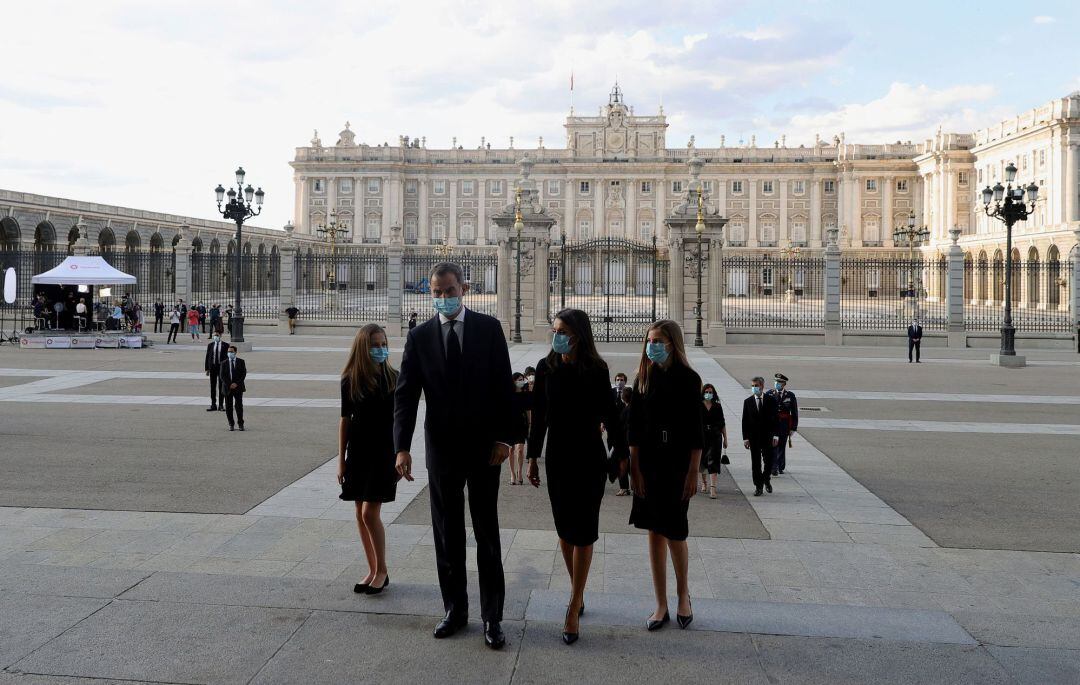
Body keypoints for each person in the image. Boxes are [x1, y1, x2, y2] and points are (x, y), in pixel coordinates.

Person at [393, 261, 514, 649]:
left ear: (464, 288)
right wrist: (401, 447)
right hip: (442, 450)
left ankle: (492, 616)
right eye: (437, 293)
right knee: (447, 534)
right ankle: (455, 610)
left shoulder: (488, 328)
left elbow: (503, 390)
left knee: (486, 533)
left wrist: (505, 439)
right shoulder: (420, 336)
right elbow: (406, 396)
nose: (444, 298)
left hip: (484, 448)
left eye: (449, 290)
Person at [526, 308, 625, 645]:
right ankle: (578, 590)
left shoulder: (597, 369)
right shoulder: (545, 367)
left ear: (578, 335)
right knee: (565, 533)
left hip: (588, 457)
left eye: (563, 330)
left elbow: (611, 415)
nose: (557, 335)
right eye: (555, 329)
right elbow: (538, 415)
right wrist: (532, 457)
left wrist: (621, 453)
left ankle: (573, 605)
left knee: (584, 532)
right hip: (557, 457)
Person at [628, 320, 704, 632]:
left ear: (672, 343)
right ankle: (660, 603)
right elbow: (632, 428)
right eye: (649, 340)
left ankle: (683, 594)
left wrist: (693, 472)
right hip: (648, 463)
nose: (652, 346)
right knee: (653, 532)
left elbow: (696, 431)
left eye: (658, 340)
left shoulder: (689, 379)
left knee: (675, 532)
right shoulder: (642, 378)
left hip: (676, 462)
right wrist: (634, 468)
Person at [338, 324, 399, 596]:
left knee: (369, 513)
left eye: (383, 343)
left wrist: (402, 454)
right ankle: (372, 568)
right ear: (363, 348)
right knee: (359, 514)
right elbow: (345, 420)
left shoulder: (395, 379)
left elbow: (402, 422)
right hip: (359, 452)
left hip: (384, 453)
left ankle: (383, 570)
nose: (381, 349)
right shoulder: (350, 379)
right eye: (375, 345)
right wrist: (341, 460)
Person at [742, 376, 779, 497]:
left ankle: (766, 478)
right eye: (752, 386)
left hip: (768, 436)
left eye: (756, 386)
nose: (754, 388)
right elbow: (745, 421)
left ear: (762, 386)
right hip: (754, 437)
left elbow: (776, 419)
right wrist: (745, 438)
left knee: (768, 461)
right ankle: (758, 486)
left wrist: (776, 435)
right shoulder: (748, 401)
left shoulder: (771, 400)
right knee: (756, 463)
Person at [766, 373, 798, 476]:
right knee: (773, 445)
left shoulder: (790, 395)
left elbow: (794, 412)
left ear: (784, 384)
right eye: (776, 381)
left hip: (784, 424)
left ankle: (780, 466)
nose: (777, 384)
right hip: (772, 424)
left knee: (781, 445)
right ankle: (773, 467)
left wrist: (793, 427)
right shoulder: (769, 394)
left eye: (779, 382)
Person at [700, 383, 728, 498]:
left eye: (710, 392)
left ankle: (713, 488)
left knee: (714, 461)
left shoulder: (717, 406)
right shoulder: (698, 405)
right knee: (702, 460)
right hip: (702, 436)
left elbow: (722, 424)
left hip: (715, 436)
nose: (708, 394)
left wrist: (725, 439)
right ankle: (704, 482)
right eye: (706, 392)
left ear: (713, 393)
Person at [508, 372, 530, 486]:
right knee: (511, 450)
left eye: (522, 379)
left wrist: (529, 423)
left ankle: (520, 472)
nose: (521, 381)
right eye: (518, 379)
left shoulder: (525, 394)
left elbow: (528, 410)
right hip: (511, 424)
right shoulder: (509, 394)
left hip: (522, 424)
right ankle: (512, 474)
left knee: (520, 450)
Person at [219, 345, 246, 431]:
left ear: (235, 352)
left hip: (238, 387)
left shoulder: (241, 362)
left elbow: (243, 374)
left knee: (239, 407)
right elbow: (222, 375)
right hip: (227, 388)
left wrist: (236, 383)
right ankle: (231, 424)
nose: (229, 353)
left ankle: (241, 424)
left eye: (231, 352)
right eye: (228, 352)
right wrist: (229, 384)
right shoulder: (224, 363)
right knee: (228, 407)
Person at [615, 386, 634, 496]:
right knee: (630, 464)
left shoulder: (627, 410)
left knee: (622, 464)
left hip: (624, 441)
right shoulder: (632, 409)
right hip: (630, 441)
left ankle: (624, 487)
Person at [204, 333, 229, 411]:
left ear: (220, 336)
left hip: (221, 367)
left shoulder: (226, 345)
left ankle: (221, 405)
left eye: (217, 335)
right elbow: (208, 357)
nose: (215, 337)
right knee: (213, 386)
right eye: (215, 335)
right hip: (213, 367)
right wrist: (207, 369)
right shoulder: (210, 345)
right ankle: (213, 404)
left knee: (221, 386)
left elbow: (227, 358)